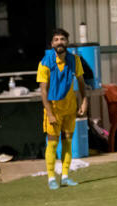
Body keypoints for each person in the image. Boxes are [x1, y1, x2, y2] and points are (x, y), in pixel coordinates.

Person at [38, 28, 88, 190]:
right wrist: (50, 113)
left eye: (62, 39)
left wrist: (84, 102)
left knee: (68, 142)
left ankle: (65, 176)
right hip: (53, 109)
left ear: (67, 42)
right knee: (52, 144)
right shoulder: (45, 62)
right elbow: (43, 91)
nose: (60, 42)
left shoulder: (75, 60)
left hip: (70, 108)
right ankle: (51, 177)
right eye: (56, 39)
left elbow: (81, 83)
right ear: (52, 44)